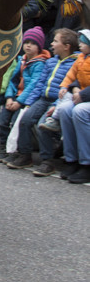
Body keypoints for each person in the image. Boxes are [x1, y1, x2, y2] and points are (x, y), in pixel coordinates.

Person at [5, 28, 78, 171]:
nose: (51, 44)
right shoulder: (50, 62)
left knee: (43, 125)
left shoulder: (74, 63)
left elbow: (68, 87)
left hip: (58, 101)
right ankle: (25, 155)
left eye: (55, 41)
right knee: (25, 120)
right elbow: (39, 85)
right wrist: (28, 103)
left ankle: (47, 161)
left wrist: (57, 105)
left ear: (66, 46)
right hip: (43, 99)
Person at [0, 27, 49, 162]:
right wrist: (9, 97)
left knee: (16, 123)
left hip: (26, 100)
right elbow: (13, 80)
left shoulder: (40, 64)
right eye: (26, 42)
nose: (28, 45)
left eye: (33, 43)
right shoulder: (21, 60)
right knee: (3, 121)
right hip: (14, 98)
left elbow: (34, 85)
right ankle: (4, 149)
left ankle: (17, 151)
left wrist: (19, 102)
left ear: (40, 46)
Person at [52, 28, 90, 182]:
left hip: (84, 98)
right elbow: (73, 76)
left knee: (79, 111)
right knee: (66, 110)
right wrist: (71, 87)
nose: (80, 45)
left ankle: (86, 163)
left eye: (83, 42)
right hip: (81, 96)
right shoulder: (81, 58)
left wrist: (82, 94)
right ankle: (71, 159)